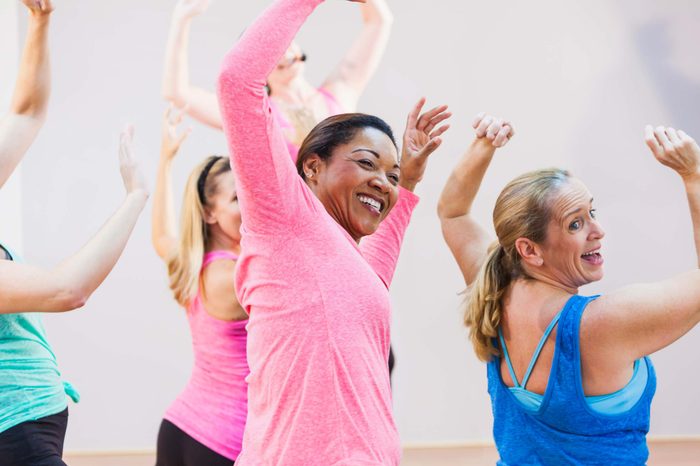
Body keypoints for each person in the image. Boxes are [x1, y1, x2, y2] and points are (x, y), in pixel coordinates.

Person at [216, 0, 450, 463]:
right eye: (366, 163)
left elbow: (375, 277)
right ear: (312, 167)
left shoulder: (349, 258)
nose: (383, 181)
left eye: (390, 172)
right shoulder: (283, 219)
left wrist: (410, 181)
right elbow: (235, 82)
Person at [440, 115, 700, 464]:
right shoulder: (603, 323)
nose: (599, 230)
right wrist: (693, 176)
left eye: (592, 212)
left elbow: (452, 213)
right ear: (529, 250)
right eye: (576, 223)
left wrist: (483, 146)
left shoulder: (493, 291)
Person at [0, 3, 148, 465]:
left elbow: (26, 113)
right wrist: (135, 197)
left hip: (30, 419)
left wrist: (40, 23)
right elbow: (67, 290)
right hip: (14, 430)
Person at [162, 0, 394, 159]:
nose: (282, 51)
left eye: (284, 42)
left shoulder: (340, 90)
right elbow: (177, 93)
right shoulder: (254, 114)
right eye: (271, 51)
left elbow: (379, 21)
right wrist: (181, 21)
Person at [151, 107, 247, 466]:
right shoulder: (235, 277)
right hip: (222, 444)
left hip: (183, 427)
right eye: (239, 198)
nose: (253, 204)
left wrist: (166, 158)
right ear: (210, 213)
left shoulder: (192, 263)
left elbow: (162, 234)